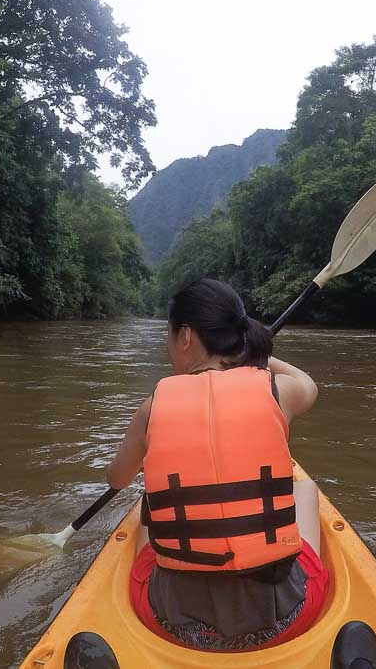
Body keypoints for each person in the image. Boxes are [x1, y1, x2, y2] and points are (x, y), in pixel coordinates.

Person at [106, 278, 328, 651]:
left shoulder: (153, 408)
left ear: (187, 336)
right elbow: (308, 384)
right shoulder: (277, 391)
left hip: (171, 624)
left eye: (169, 334)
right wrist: (256, 355)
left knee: (149, 503)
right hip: (284, 618)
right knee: (304, 487)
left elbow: (116, 477)